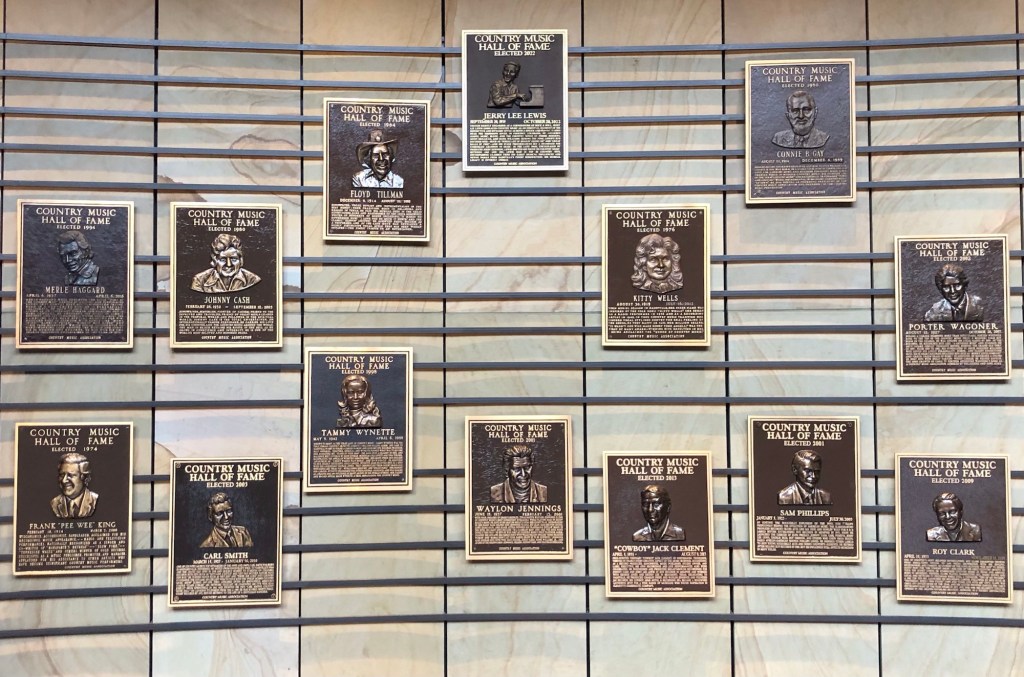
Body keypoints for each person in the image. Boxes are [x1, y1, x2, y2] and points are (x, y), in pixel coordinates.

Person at [190, 233, 261, 293]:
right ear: (214, 260)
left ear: (240, 260)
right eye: (223, 259)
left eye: (234, 259)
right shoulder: (199, 281)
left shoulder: (253, 280)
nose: (229, 264)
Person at [50, 452, 99, 519]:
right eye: (62, 475)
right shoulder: (55, 502)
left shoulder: (94, 499)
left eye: (70, 475)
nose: (64, 480)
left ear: (85, 478)